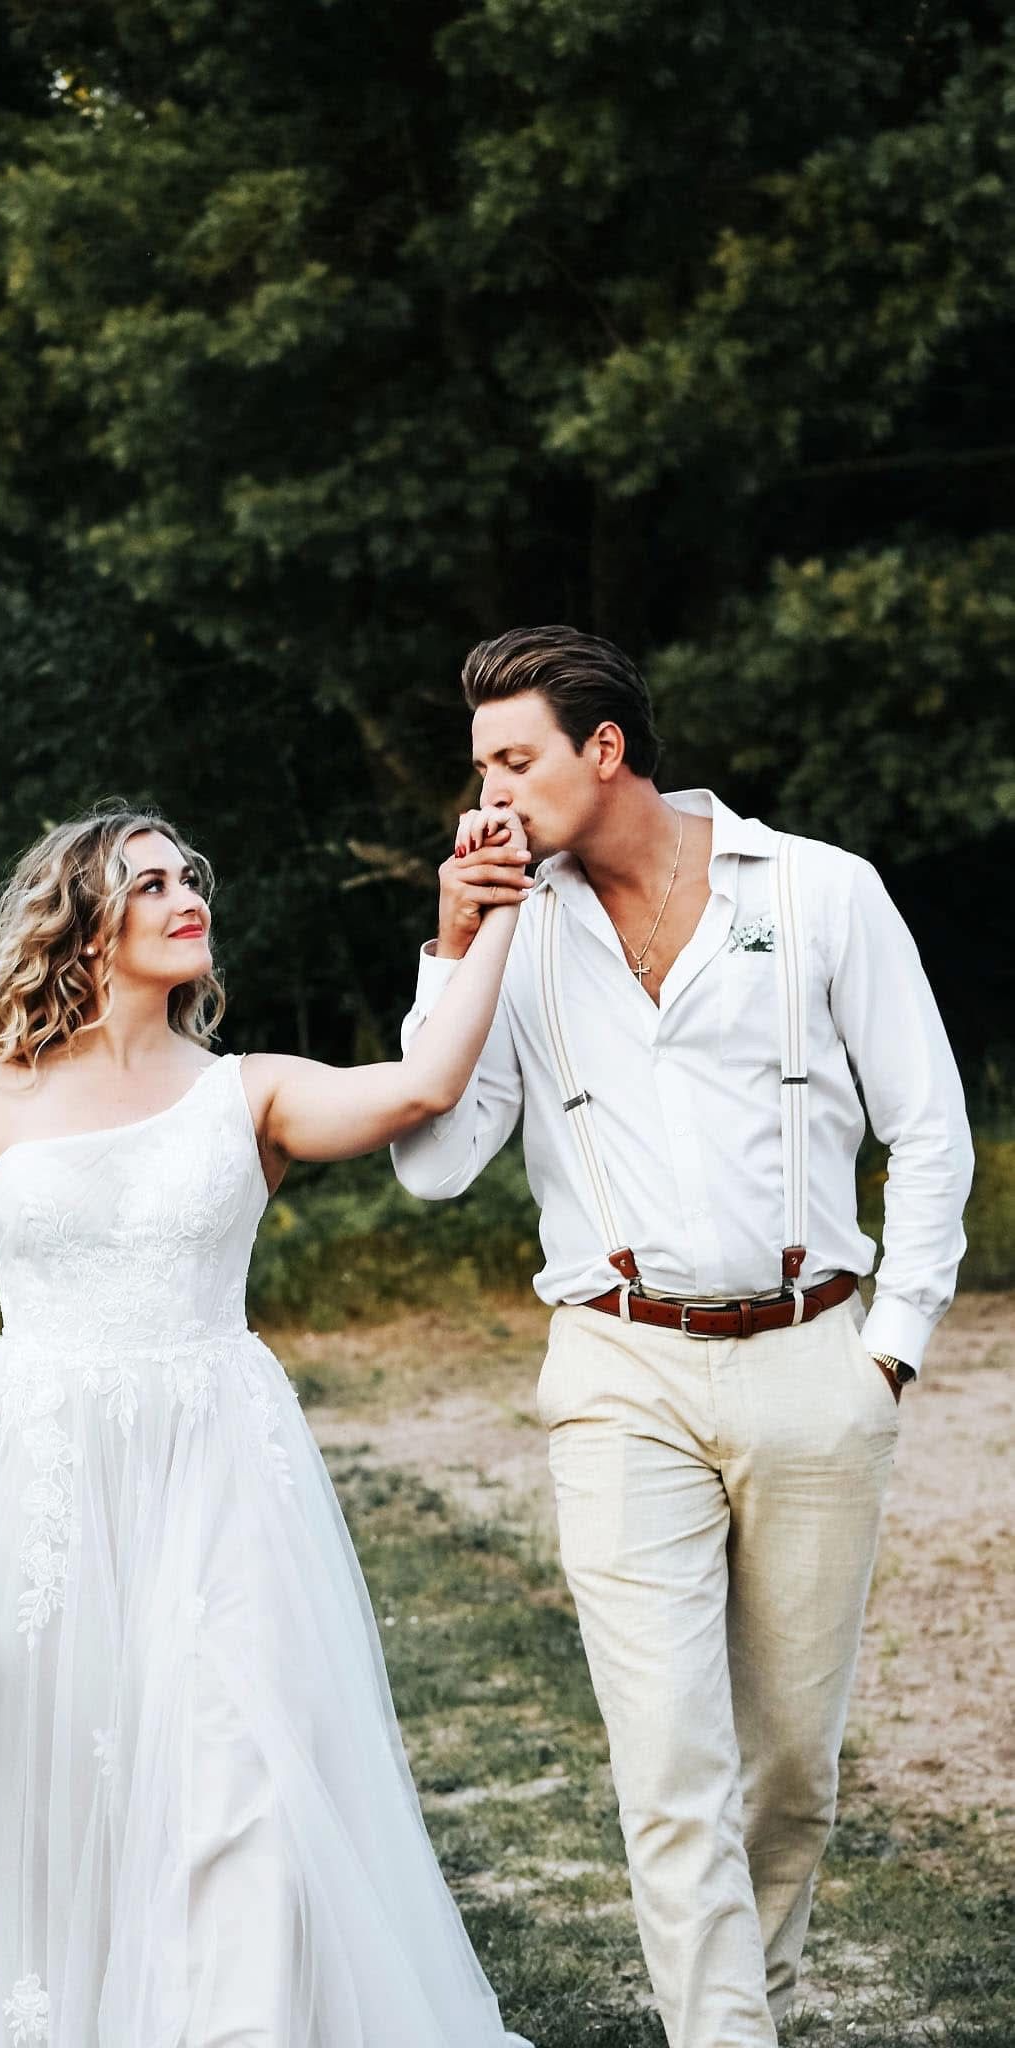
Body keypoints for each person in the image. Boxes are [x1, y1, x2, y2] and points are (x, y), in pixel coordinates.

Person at [0, 806, 532, 2048]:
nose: (189, 897)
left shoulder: (253, 1092)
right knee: (48, 1777)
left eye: (192, 878)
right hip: (39, 1474)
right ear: (83, 924)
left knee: (240, 1773)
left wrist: (487, 915)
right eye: (151, 883)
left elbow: (428, 1084)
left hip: (220, 1463)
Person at [391, 624, 973, 2048]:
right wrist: (454, 946)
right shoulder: (512, 935)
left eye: (514, 761)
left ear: (604, 751)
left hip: (812, 1358)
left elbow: (929, 1127)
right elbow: (435, 1160)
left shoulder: (822, 892)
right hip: (615, 1368)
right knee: (669, 1766)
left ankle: (750, 2009)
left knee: (788, 1773)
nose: (491, 799)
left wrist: (887, 1350)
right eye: (479, 770)